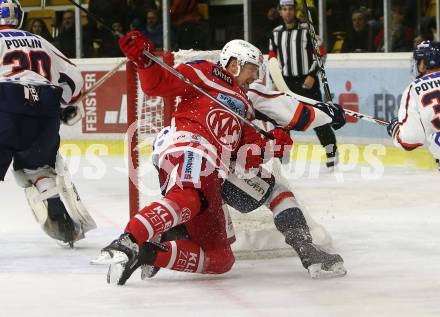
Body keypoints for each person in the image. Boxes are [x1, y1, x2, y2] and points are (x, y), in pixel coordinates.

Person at [95, 32, 292, 285]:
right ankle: (128, 240)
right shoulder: (209, 73)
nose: (255, 78)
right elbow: (159, 84)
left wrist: (274, 144)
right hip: (189, 146)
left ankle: (147, 254)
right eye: (252, 69)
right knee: (191, 195)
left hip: (214, 173)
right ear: (235, 64)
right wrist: (145, 63)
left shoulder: (244, 108)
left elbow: (246, 158)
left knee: (220, 259)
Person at [0, 0, 96, 247]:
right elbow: (73, 79)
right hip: (44, 108)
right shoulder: (41, 42)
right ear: (19, 18)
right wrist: (65, 103)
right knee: (38, 169)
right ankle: (61, 220)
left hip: (6, 104)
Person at [269, 0, 339, 169]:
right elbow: (272, 58)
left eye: (290, 9)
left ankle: (331, 151)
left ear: (295, 10)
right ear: (280, 12)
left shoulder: (307, 30)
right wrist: (275, 80)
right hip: (286, 82)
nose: (287, 13)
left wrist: (312, 75)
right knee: (283, 119)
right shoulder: (276, 33)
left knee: (318, 117)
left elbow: (321, 53)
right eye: (284, 9)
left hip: (307, 81)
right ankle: (282, 155)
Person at [387, 40, 440, 171]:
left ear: (424, 64)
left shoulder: (415, 89)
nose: (415, 65)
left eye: (418, 61)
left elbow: (411, 139)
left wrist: (396, 131)